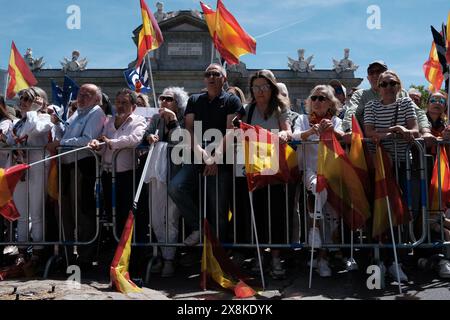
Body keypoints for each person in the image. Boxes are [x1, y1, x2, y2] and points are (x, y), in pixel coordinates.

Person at [168, 63, 242, 246]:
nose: (211, 77)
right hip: (197, 157)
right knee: (176, 187)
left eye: (216, 73)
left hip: (222, 161)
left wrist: (214, 158)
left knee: (218, 210)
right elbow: (188, 129)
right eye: (207, 74)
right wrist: (204, 155)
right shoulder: (195, 100)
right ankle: (197, 226)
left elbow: (230, 131)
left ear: (224, 78)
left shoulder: (232, 100)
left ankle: (219, 256)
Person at [364, 70, 419, 282]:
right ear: (377, 87)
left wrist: (403, 130)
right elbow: (369, 132)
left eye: (392, 83)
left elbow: (415, 130)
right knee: (378, 213)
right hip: (378, 165)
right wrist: (394, 130)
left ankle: (397, 262)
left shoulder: (406, 103)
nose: (388, 87)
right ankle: (378, 259)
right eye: (384, 83)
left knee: (399, 214)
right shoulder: (371, 106)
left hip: (402, 165)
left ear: (398, 85)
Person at [46, 84, 106, 267]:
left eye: (88, 94)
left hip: (82, 167)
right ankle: (67, 256)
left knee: (82, 212)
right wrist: (56, 126)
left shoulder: (96, 113)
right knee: (65, 213)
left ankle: (85, 257)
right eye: (80, 93)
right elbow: (65, 134)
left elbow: (88, 140)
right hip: (66, 166)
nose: (82, 97)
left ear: (97, 98)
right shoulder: (76, 113)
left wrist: (60, 143)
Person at [242, 69, 292, 279]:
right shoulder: (249, 109)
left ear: (271, 88)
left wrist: (283, 133)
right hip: (255, 166)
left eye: (264, 87)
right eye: (256, 87)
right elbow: (240, 129)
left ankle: (276, 257)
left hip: (276, 166)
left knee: (277, 211)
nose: (260, 91)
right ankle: (260, 254)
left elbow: (287, 130)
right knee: (258, 212)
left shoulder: (279, 108)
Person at [292, 85, 344, 277]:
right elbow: (294, 136)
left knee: (331, 219)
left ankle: (323, 257)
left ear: (330, 102)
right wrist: (311, 132)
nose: (317, 101)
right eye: (314, 98)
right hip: (310, 170)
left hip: (332, 171)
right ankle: (314, 232)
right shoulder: (302, 119)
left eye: (322, 98)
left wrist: (332, 132)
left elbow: (345, 138)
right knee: (317, 189)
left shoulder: (336, 120)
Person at [6, 87, 54, 274]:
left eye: (29, 98)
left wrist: (33, 111)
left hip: (37, 166)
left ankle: (38, 254)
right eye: (22, 98)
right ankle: (23, 251)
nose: (24, 102)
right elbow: (12, 139)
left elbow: (33, 131)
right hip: (20, 168)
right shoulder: (17, 122)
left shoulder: (45, 119)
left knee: (36, 212)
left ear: (40, 101)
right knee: (22, 213)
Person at [142, 87, 189, 277]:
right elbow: (146, 133)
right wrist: (149, 136)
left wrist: (173, 121)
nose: (164, 102)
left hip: (176, 174)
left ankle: (169, 258)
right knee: (155, 218)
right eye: (162, 98)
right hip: (157, 172)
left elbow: (180, 140)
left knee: (171, 217)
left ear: (177, 103)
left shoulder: (185, 119)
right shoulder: (155, 118)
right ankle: (163, 253)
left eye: (169, 99)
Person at [88, 89, 146, 238]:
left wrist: (111, 142)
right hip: (107, 175)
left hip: (126, 176)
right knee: (112, 213)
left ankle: (130, 250)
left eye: (124, 103)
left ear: (133, 106)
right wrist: (97, 144)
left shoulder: (139, 120)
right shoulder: (109, 121)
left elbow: (134, 139)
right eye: (118, 102)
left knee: (127, 213)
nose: (119, 106)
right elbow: (102, 144)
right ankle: (116, 247)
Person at [342, 61, 430, 136]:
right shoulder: (360, 94)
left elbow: (418, 113)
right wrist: (349, 131)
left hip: (401, 148)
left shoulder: (402, 93)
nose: (375, 75)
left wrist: (426, 132)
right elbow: (351, 113)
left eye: (379, 71)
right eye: (371, 72)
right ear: (368, 78)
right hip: (372, 148)